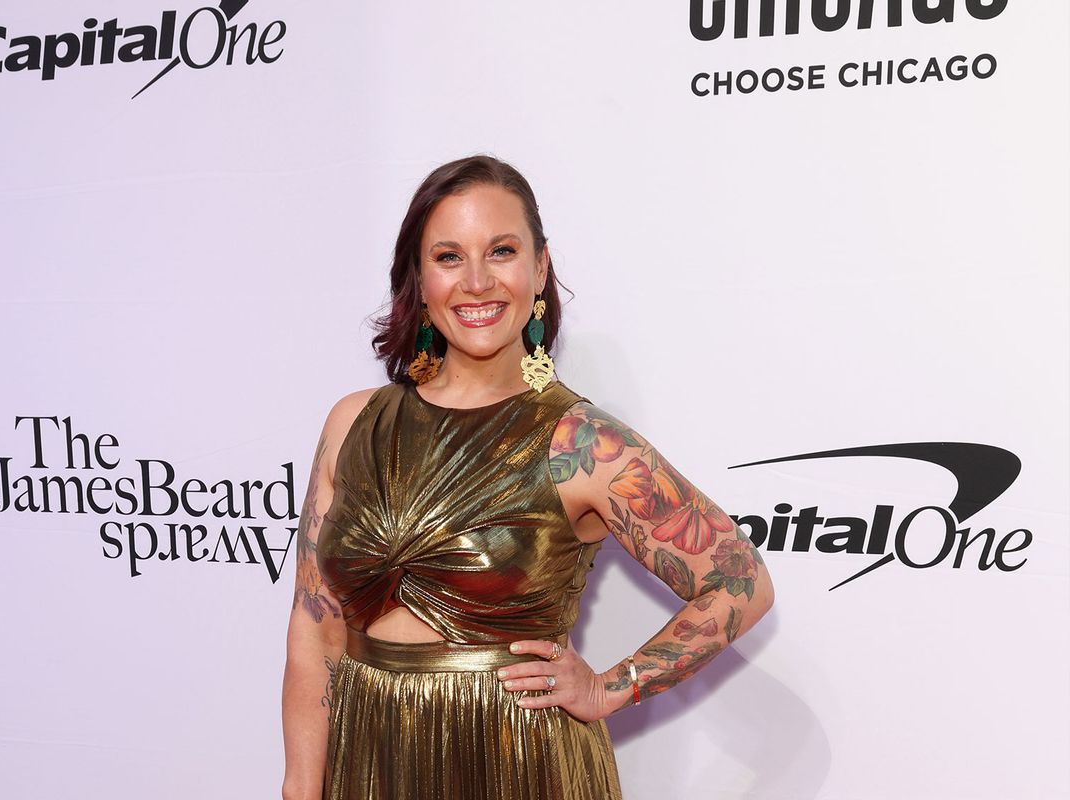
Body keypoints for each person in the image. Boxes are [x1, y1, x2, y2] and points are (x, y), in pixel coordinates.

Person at [281, 155, 775, 800]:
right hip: (368, 754)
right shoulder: (354, 423)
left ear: (540, 268)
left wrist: (608, 686)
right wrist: (300, 786)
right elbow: (314, 627)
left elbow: (740, 582)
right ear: (419, 279)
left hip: (518, 759)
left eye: (502, 251)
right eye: (449, 257)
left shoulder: (583, 443)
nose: (478, 281)